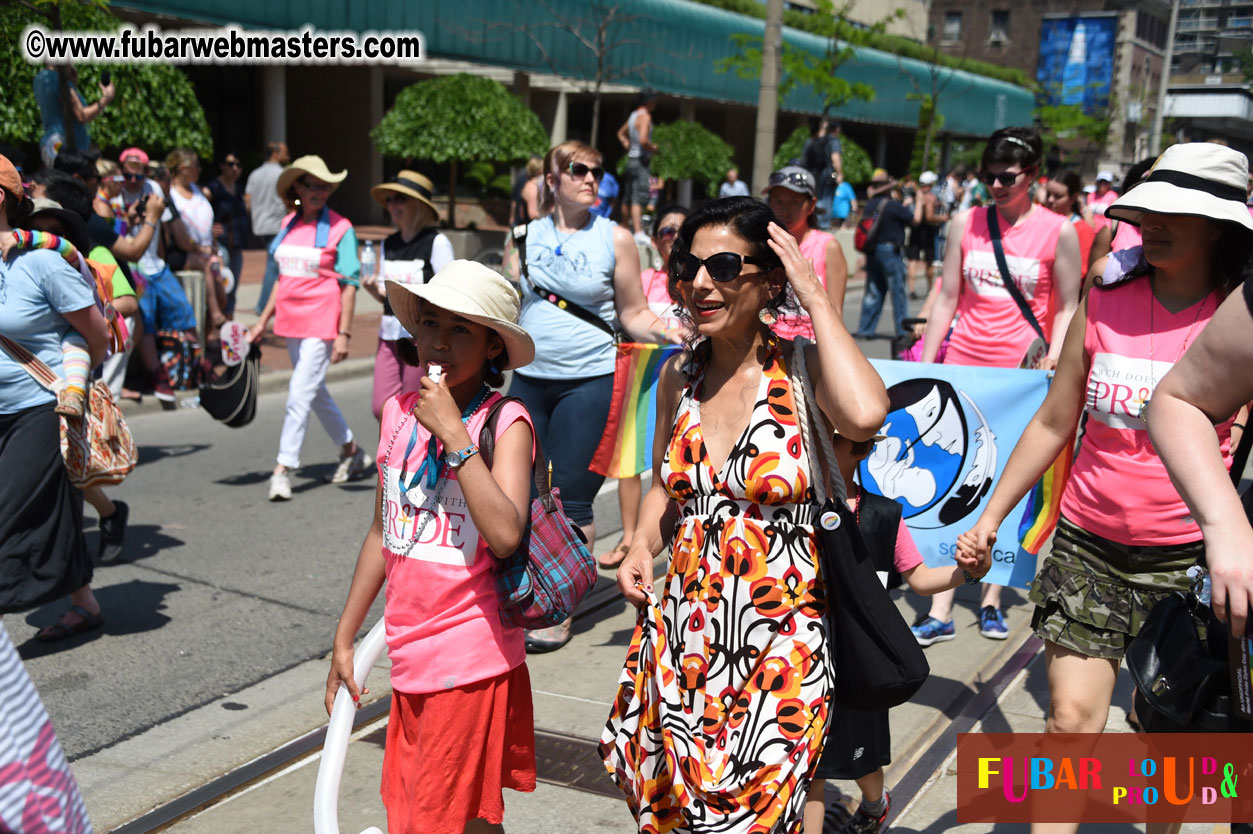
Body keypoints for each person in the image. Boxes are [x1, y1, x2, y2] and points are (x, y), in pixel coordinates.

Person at [956, 144, 1250, 834]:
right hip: (1088, 547)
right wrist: (990, 517)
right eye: (1145, 208)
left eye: (1174, 212)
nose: (1150, 222)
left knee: (1164, 745)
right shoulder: (1105, 293)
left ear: (1216, 226)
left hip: (1190, 564)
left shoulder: (1238, 316)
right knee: (1067, 723)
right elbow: (1056, 419)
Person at [602, 195, 888, 833]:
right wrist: (643, 544)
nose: (701, 283)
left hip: (783, 642)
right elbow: (666, 490)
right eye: (690, 267)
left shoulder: (803, 369)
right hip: (684, 641)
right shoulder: (681, 376)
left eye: (725, 266)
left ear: (771, 279)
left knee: (765, 815)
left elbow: (867, 415)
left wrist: (816, 298)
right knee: (685, 816)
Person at [326, 261, 539, 834]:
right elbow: (382, 532)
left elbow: (505, 533)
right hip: (410, 654)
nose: (440, 341)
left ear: (494, 346)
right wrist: (345, 637)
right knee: (461, 816)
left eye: (461, 329)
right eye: (429, 323)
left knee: (428, 819)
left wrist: (455, 437)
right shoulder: (397, 413)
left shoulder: (505, 422)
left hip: (470, 658)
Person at [914, 127, 1081, 646]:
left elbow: (1070, 302)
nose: (995, 185)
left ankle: (992, 597)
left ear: (1033, 176)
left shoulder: (1060, 231)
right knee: (951, 477)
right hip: (964, 366)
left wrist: (1055, 356)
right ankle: (942, 602)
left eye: (1006, 177)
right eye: (988, 176)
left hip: (1024, 376)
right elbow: (946, 297)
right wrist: (931, 361)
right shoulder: (967, 221)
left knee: (1008, 484)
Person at [506, 140, 673, 652]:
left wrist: (682, 331)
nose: (589, 178)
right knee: (519, 490)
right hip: (529, 376)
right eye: (577, 170)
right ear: (551, 180)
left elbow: (633, 312)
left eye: (596, 171)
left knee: (569, 495)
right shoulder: (522, 235)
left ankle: (559, 603)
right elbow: (509, 303)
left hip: (590, 377)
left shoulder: (616, 239)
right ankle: (522, 588)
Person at [803, 432, 987, 834]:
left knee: (862, 757)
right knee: (812, 768)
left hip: (860, 657)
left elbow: (919, 579)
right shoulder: (792, 508)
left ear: (861, 449)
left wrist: (970, 572)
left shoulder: (883, 515)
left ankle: (874, 803)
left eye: (828, 437)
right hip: (803, 654)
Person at [0, 154, 110, 642]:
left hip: (38, 405)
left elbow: (97, 335)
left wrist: (77, 385)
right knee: (60, 504)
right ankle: (83, 601)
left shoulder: (42, 263)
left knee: (10, 513)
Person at [249, 155, 372, 501]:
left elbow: (349, 284)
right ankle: (351, 450)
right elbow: (281, 279)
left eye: (325, 185)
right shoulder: (288, 223)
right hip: (291, 322)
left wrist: (345, 333)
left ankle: (283, 468)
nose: (319, 191)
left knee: (299, 392)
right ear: (297, 188)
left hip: (322, 322)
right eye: (311, 184)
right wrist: (261, 321)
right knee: (314, 391)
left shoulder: (341, 227)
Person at [597, 203, 689, 572]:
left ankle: (677, 531)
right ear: (655, 240)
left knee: (677, 459)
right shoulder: (645, 278)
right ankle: (629, 536)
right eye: (667, 232)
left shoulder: (698, 278)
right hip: (640, 379)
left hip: (683, 381)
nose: (674, 239)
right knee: (628, 460)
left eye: (681, 232)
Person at [363, 170, 454, 420]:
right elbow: (390, 297)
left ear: (418, 205)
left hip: (420, 338)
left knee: (414, 409)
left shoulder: (436, 242)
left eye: (400, 199)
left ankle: (413, 458)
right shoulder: (389, 243)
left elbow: (451, 292)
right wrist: (373, 290)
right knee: (381, 407)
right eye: (390, 200)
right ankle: (396, 456)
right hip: (389, 334)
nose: (393, 205)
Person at [117, 146, 198, 402]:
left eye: (137, 176)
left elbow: (162, 231)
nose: (132, 182)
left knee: (183, 311)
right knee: (147, 318)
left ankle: (194, 367)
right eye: (128, 176)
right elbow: (114, 236)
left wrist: (161, 258)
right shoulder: (114, 193)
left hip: (155, 264)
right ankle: (157, 376)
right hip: (131, 265)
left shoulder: (152, 188)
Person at [763, 166, 849, 337]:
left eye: (795, 202)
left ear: (812, 205)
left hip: (809, 346)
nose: (785, 210)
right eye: (778, 201)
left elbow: (835, 314)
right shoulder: (762, 245)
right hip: (767, 344)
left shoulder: (828, 246)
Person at [166, 149, 228, 338]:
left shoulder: (198, 190)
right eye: (196, 167)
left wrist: (215, 249)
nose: (200, 170)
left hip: (208, 251)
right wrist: (199, 249)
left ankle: (208, 337)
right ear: (184, 168)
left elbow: (207, 223)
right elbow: (177, 234)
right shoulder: (170, 194)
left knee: (222, 295)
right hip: (189, 252)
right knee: (208, 281)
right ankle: (215, 318)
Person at [854, 170, 919, 340]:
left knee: (874, 290)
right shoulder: (892, 205)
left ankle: (865, 329)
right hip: (890, 250)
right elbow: (914, 220)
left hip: (873, 250)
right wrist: (914, 202)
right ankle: (903, 330)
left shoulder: (870, 205)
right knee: (897, 291)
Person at [33, 62, 113, 167]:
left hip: (52, 143)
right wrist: (106, 98)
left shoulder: (41, 78)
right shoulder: (60, 81)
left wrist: (72, 84)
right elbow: (81, 115)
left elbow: (60, 108)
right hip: (64, 144)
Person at [248, 141, 291, 313]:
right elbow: (289, 201)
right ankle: (263, 306)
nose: (287, 157)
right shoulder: (282, 175)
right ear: (275, 153)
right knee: (274, 266)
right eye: (285, 153)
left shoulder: (255, 174)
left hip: (260, 226)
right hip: (277, 226)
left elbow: (247, 200)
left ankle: (270, 304)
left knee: (274, 264)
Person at [206, 151, 248, 316]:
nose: (235, 168)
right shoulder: (213, 188)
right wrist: (209, 227)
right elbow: (198, 208)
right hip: (220, 243)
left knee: (233, 286)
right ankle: (217, 322)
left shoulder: (239, 188)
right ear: (222, 166)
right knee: (223, 284)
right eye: (231, 164)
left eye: (238, 165)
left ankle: (229, 325)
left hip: (237, 243)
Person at [617, 89, 658, 241]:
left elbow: (620, 133)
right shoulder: (645, 116)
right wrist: (653, 148)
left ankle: (625, 227)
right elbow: (643, 140)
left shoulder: (633, 115)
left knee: (627, 195)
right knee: (638, 196)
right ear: (648, 102)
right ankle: (638, 232)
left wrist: (627, 144)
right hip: (641, 160)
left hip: (631, 159)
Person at [1042, 169, 1096, 274]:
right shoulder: (1036, 219)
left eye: (1058, 196)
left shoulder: (1083, 230)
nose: (1050, 200)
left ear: (1073, 198)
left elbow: (1079, 272)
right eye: (1048, 194)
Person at [906, 170, 946, 300]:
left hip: (914, 230)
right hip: (927, 231)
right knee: (928, 262)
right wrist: (943, 218)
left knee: (912, 260)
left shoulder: (915, 195)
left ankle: (911, 289)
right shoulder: (930, 197)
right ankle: (930, 288)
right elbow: (929, 217)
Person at [511, 155, 543, 226]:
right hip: (530, 228)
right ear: (540, 171)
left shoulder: (529, 184)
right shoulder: (532, 188)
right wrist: (550, 213)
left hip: (525, 226)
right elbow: (532, 214)